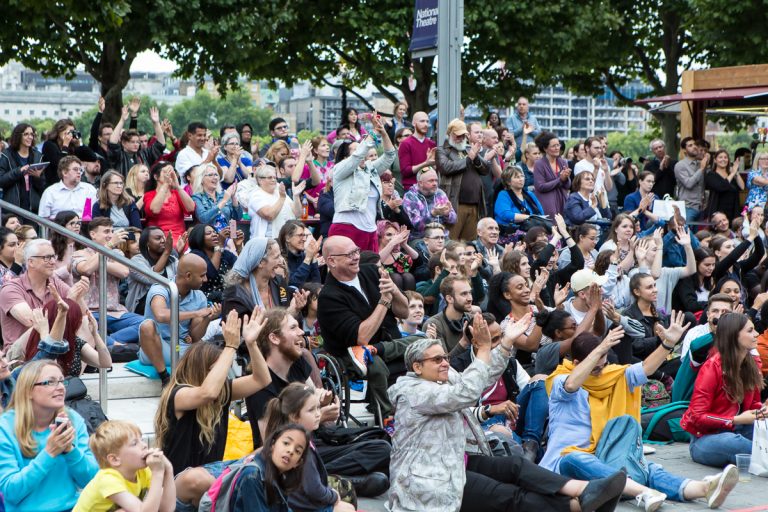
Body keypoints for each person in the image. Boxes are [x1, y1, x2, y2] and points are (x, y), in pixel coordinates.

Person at [388, 315, 627, 512]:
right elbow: (466, 393)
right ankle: (576, 506)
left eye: (446, 357)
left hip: (455, 460)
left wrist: (505, 344)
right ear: (417, 367)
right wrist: (482, 349)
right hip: (428, 477)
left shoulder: (443, 377)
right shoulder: (412, 392)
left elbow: (484, 376)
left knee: (515, 466)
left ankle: (585, 491)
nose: (444, 363)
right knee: (506, 495)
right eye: (437, 359)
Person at [543, 321, 740, 510]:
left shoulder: (612, 375)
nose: (601, 371)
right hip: (566, 463)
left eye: (604, 364)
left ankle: (703, 489)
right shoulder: (560, 380)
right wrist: (599, 350)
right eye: (595, 366)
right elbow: (571, 385)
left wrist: (668, 343)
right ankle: (643, 492)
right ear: (577, 362)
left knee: (646, 465)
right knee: (575, 459)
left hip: (607, 457)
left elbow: (645, 368)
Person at [155, 309, 271, 509]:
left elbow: (262, 379)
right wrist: (231, 346)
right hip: (174, 489)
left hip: (213, 475)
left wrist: (251, 344)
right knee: (198, 479)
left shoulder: (220, 393)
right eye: (220, 368)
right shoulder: (177, 395)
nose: (224, 375)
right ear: (204, 369)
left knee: (267, 453)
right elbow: (206, 392)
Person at [317, 235, 415, 417]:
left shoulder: (371, 271)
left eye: (356, 251)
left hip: (387, 344)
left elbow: (404, 313)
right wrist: (384, 302)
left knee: (425, 343)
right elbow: (362, 337)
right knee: (374, 361)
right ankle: (386, 416)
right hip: (352, 354)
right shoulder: (329, 296)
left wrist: (394, 291)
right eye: (349, 254)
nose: (356, 257)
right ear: (331, 261)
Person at [0, 360, 99, 512]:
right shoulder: (5, 427)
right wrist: (49, 453)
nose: (60, 387)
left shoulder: (73, 420)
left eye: (61, 381)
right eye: (50, 382)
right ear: (28, 391)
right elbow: (11, 492)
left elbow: (92, 481)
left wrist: (70, 450)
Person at [451, 313, 550, 463]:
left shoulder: (509, 362)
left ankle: (531, 442)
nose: (500, 343)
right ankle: (530, 460)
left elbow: (528, 391)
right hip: (481, 421)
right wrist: (493, 409)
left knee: (540, 381)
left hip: (511, 415)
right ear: (476, 342)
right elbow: (459, 409)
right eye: (494, 339)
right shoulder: (457, 366)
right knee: (501, 432)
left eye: (502, 336)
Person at [681, 313, 766, 468]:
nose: (756, 334)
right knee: (733, 442)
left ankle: (760, 456)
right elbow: (697, 416)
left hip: (739, 429)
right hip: (705, 438)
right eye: (750, 330)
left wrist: (762, 411)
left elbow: (754, 406)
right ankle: (762, 456)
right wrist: (736, 420)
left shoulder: (752, 364)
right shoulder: (712, 367)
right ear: (734, 335)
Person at [262, 383, 363, 512]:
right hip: (301, 506)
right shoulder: (301, 448)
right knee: (347, 507)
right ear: (294, 417)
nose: (318, 414)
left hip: (292, 502)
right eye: (311, 410)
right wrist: (333, 496)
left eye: (318, 408)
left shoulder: (282, 438)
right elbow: (313, 488)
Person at [138, 253, 220, 385]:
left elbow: (195, 336)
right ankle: (165, 378)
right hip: (156, 349)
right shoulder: (161, 287)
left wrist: (207, 319)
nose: (205, 279)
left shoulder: (199, 296)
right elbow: (161, 315)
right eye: (202, 275)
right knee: (147, 326)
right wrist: (197, 313)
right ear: (188, 276)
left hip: (180, 348)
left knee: (218, 355)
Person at [0, 239, 89, 355]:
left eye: (53, 257)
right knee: (40, 327)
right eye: (46, 257)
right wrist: (69, 301)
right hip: (21, 352)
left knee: (87, 322)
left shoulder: (55, 282)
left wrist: (79, 296)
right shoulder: (11, 288)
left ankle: (69, 369)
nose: (52, 262)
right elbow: (33, 323)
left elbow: (84, 315)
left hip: (54, 345)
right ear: (30, 262)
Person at [71, 217, 145, 347]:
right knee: (84, 327)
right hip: (88, 311)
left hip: (114, 311)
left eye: (112, 231)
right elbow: (86, 269)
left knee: (146, 323)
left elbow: (123, 272)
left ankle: (110, 341)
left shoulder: (116, 252)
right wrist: (107, 249)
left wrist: (98, 260)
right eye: (106, 232)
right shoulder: (79, 253)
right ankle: (114, 344)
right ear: (93, 234)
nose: (111, 235)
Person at [73, 420, 176, 512]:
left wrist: (168, 470)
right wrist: (157, 473)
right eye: (134, 443)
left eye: (141, 440)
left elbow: (166, 509)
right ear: (115, 459)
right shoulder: (107, 479)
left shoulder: (142, 471)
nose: (144, 445)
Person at [329, 113, 395, 251]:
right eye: (356, 149)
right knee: (346, 271)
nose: (362, 151)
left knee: (371, 271)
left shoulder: (370, 169)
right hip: (346, 228)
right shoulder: (340, 170)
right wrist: (374, 131)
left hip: (370, 230)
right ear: (347, 157)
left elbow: (389, 156)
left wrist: (383, 132)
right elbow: (358, 155)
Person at [24, 287, 111, 377]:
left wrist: (95, 334)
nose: (79, 324)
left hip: (69, 390)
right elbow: (49, 372)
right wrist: (45, 336)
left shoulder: (74, 341)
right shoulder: (37, 337)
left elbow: (106, 363)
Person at [227, 424, 310, 512]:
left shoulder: (280, 476)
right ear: (272, 445)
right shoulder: (252, 476)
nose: (290, 451)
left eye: (297, 451)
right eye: (286, 443)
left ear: (298, 463)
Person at [222, 238, 306, 321]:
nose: (281, 261)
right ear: (261, 262)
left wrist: (296, 309)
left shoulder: (279, 282)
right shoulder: (235, 295)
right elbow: (245, 331)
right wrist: (289, 313)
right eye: (277, 257)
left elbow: (288, 325)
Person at [436, 119, 492, 241]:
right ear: (450, 134)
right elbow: (446, 168)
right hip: (456, 205)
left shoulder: (468, 149)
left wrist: (476, 157)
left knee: (470, 245)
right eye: (458, 135)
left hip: (474, 205)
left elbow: (486, 170)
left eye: (463, 135)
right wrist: (469, 158)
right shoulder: (442, 150)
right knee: (451, 243)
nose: (461, 138)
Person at [126, 227, 179, 314]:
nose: (163, 241)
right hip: (141, 309)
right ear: (147, 243)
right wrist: (166, 252)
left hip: (169, 304)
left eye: (164, 237)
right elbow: (151, 279)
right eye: (158, 238)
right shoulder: (136, 261)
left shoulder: (172, 260)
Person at [143, 161, 196, 246]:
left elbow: (191, 208)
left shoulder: (176, 193)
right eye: (165, 172)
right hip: (159, 239)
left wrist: (178, 187)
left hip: (180, 237)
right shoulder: (149, 195)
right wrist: (165, 185)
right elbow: (154, 210)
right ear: (156, 176)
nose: (169, 175)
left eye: (171, 172)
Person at [248, 162, 304, 239]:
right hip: (268, 241)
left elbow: (298, 214)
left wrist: (296, 196)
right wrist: (281, 198)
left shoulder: (278, 190)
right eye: (270, 177)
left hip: (287, 238)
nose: (273, 180)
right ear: (260, 180)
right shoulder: (256, 195)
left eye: (275, 177)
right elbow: (269, 215)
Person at [107, 105, 166, 176]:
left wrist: (156, 123)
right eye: (132, 142)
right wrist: (122, 120)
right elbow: (112, 144)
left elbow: (161, 144)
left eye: (138, 142)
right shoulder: (119, 156)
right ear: (123, 143)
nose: (136, 144)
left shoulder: (144, 154)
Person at [0, 123, 45, 212]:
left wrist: (37, 177)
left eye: (32, 134)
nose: (30, 137)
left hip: (33, 208)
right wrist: (19, 171)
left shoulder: (37, 156)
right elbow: (1, 181)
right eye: (26, 134)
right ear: (18, 136)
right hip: (12, 209)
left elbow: (43, 186)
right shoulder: (6, 155)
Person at [187, 223, 237, 303]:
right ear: (199, 237)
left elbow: (241, 268)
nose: (214, 234)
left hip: (227, 298)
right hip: (204, 300)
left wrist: (238, 246)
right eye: (208, 233)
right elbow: (211, 273)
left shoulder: (224, 254)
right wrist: (220, 244)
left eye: (215, 232)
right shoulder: (195, 255)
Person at [402, 167, 456, 240]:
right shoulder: (410, 197)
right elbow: (418, 225)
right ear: (420, 183)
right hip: (420, 238)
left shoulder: (440, 193)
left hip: (442, 237)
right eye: (431, 181)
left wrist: (447, 214)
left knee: (457, 249)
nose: (435, 184)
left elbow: (454, 220)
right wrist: (433, 214)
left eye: (436, 181)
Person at [191, 163, 243, 233]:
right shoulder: (197, 197)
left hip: (227, 237)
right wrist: (223, 201)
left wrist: (233, 197)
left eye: (216, 175)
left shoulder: (223, 195)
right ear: (201, 179)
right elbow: (203, 218)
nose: (215, 177)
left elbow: (238, 217)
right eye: (210, 175)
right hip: (209, 238)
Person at [494, 165, 546, 232]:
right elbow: (505, 215)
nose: (521, 179)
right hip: (512, 232)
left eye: (522, 176)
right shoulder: (503, 194)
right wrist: (530, 217)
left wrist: (534, 219)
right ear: (508, 182)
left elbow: (541, 213)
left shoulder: (530, 194)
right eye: (517, 177)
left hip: (533, 230)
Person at [533, 131, 571, 218]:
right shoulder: (539, 164)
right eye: (554, 146)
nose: (557, 148)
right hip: (547, 203)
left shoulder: (563, 162)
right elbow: (540, 187)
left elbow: (568, 185)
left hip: (562, 201)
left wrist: (566, 178)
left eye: (558, 145)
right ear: (545, 149)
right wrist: (560, 179)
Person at [397, 111, 436, 190]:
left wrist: (434, 164)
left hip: (430, 189)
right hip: (412, 189)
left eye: (427, 121)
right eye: (422, 121)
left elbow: (435, 169)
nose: (425, 124)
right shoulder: (406, 144)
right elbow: (405, 171)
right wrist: (426, 163)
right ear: (414, 123)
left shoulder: (432, 144)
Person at [278, 221, 322, 289]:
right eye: (300, 235)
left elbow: (317, 283)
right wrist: (307, 259)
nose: (304, 239)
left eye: (304, 235)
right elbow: (292, 285)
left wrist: (313, 257)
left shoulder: (304, 256)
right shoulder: (279, 259)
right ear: (288, 238)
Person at [378, 220, 419, 292]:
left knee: (408, 276)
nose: (394, 238)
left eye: (395, 235)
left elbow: (419, 261)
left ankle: (409, 302)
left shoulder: (398, 255)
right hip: (381, 291)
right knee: (396, 277)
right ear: (379, 236)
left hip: (403, 293)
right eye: (389, 234)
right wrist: (392, 243)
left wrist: (404, 245)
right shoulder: (372, 254)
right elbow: (377, 261)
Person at [674, 137, 708, 223]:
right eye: (690, 145)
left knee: (698, 236)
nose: (694, 147)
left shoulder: (700, 164)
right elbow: (689, 184)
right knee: (686, 234)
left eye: (695, 144)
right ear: (684, 150)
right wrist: (701, 169)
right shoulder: (680, 165)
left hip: (701, 208)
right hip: (687, 208)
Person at [705, 150, 745, 220]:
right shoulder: (711, 175)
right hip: (718, 213)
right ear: (715, 160)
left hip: (733, 212)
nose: (723, 159)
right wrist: (732, 173)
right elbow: (722, 187)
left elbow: (742, 187)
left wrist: (736, 173)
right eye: (720, 157)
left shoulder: (731, 175)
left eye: (725, 157)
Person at [41, 118, 79, 185]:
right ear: (59, 131)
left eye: (72, 132)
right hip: (53, 184)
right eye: (68, 132)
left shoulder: (71, 146)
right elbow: (60, 164)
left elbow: (91, 156)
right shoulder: (49, 144)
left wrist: (78, 141)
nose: (69, 135)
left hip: (69, 184)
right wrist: (65, 145)